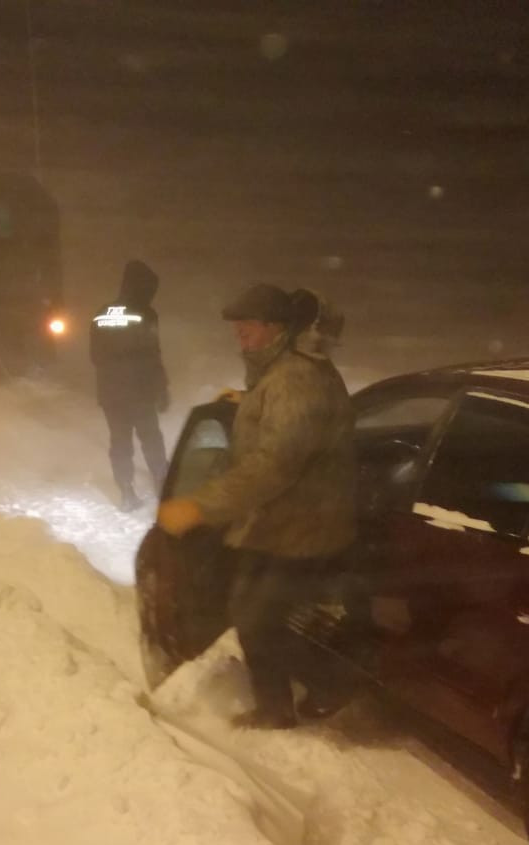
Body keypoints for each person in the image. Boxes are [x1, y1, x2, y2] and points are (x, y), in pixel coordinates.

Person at [156, 283, 357, 728]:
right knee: (252, 610)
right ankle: (284, 702)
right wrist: (249, 403)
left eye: (247, 328)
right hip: (284, 517)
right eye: (237, 328)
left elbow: (273, 465)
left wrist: (200, 506)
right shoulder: (283, 373)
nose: (239, 335)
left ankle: (326, 686)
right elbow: (291, 426)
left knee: (258, 619)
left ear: (276, 328)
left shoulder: (295, 380)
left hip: (304, 522)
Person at [90, 259, 169, 511]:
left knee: (120, 442)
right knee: (151, 438)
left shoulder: (101, 313)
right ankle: (163, 487)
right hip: (140, 391)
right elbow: (152, 354)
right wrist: (161, 388)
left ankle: (126, 492)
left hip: (110, 393)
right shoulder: (146, 313)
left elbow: (95, 356)